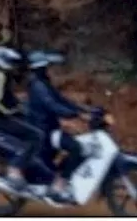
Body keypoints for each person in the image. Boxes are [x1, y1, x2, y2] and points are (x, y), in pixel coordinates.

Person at [25, 49, 90, 203]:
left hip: (49, 128)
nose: (49, 69)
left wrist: (83, 109)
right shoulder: (38, 86)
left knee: (76, 147)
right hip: (44, 131)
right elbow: (53, 106)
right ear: (40, 68)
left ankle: (59, 176)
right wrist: (76, 115)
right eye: (46, 66)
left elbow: (62, 100)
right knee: (76, 148)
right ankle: (59, 184)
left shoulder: (43, 83)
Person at [0, 46, 41, 192]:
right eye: (10, 61)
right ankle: (15, 169)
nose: (13, 65)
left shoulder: (2, 75)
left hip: (0, 117)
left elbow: (9, 98)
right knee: (36, 135)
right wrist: (12, 111)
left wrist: (21, 106)